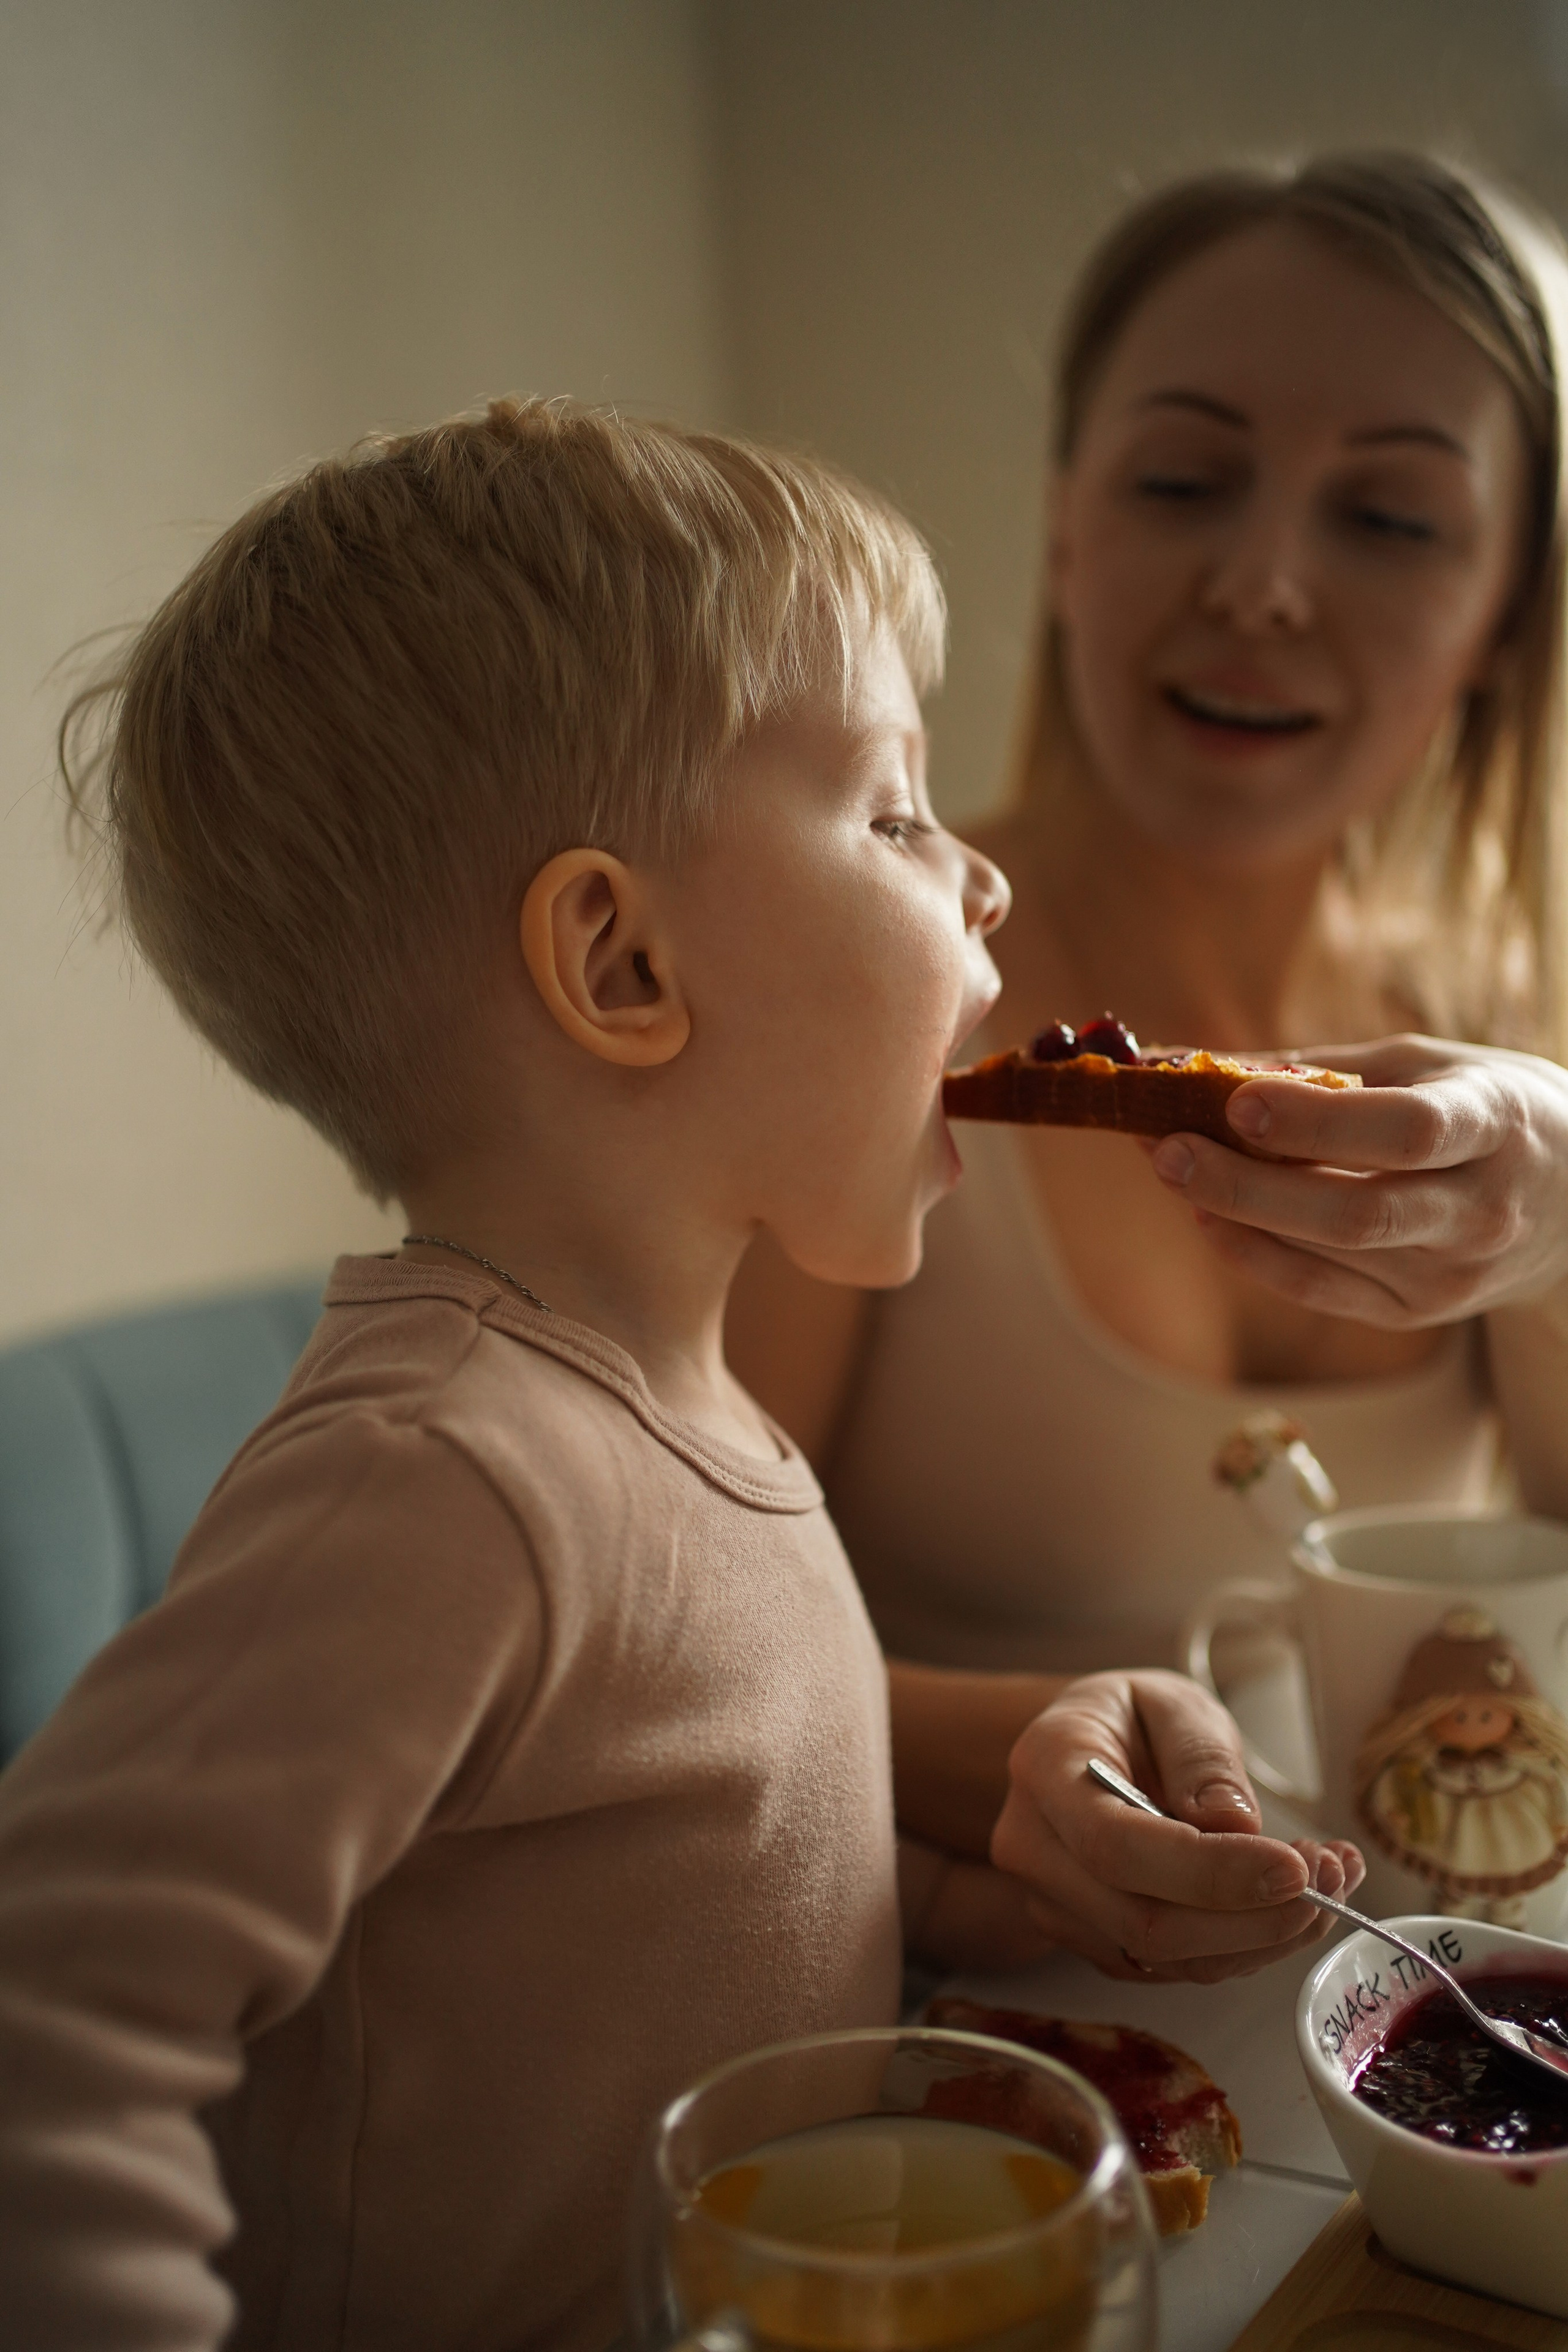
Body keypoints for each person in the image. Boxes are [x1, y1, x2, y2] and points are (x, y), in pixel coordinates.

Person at [0, 399, 1352, 2351]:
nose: (978, 881)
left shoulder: (687, 1420)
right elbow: (52, 2003)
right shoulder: (445, 1477)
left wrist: (984, 1904)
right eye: (892, 812)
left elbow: (649, 1890)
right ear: (620, 968)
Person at [728, 151, 1568, 1981]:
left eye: (1394, 520)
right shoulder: (864, 999)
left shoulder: (1536, 1039)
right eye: (1185, 482)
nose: (1261, 583)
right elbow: (646, 1637)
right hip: (932, 2039)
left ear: (1510, 605)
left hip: (1399, 2048)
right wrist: (999, 1756)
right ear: (1066, 528)